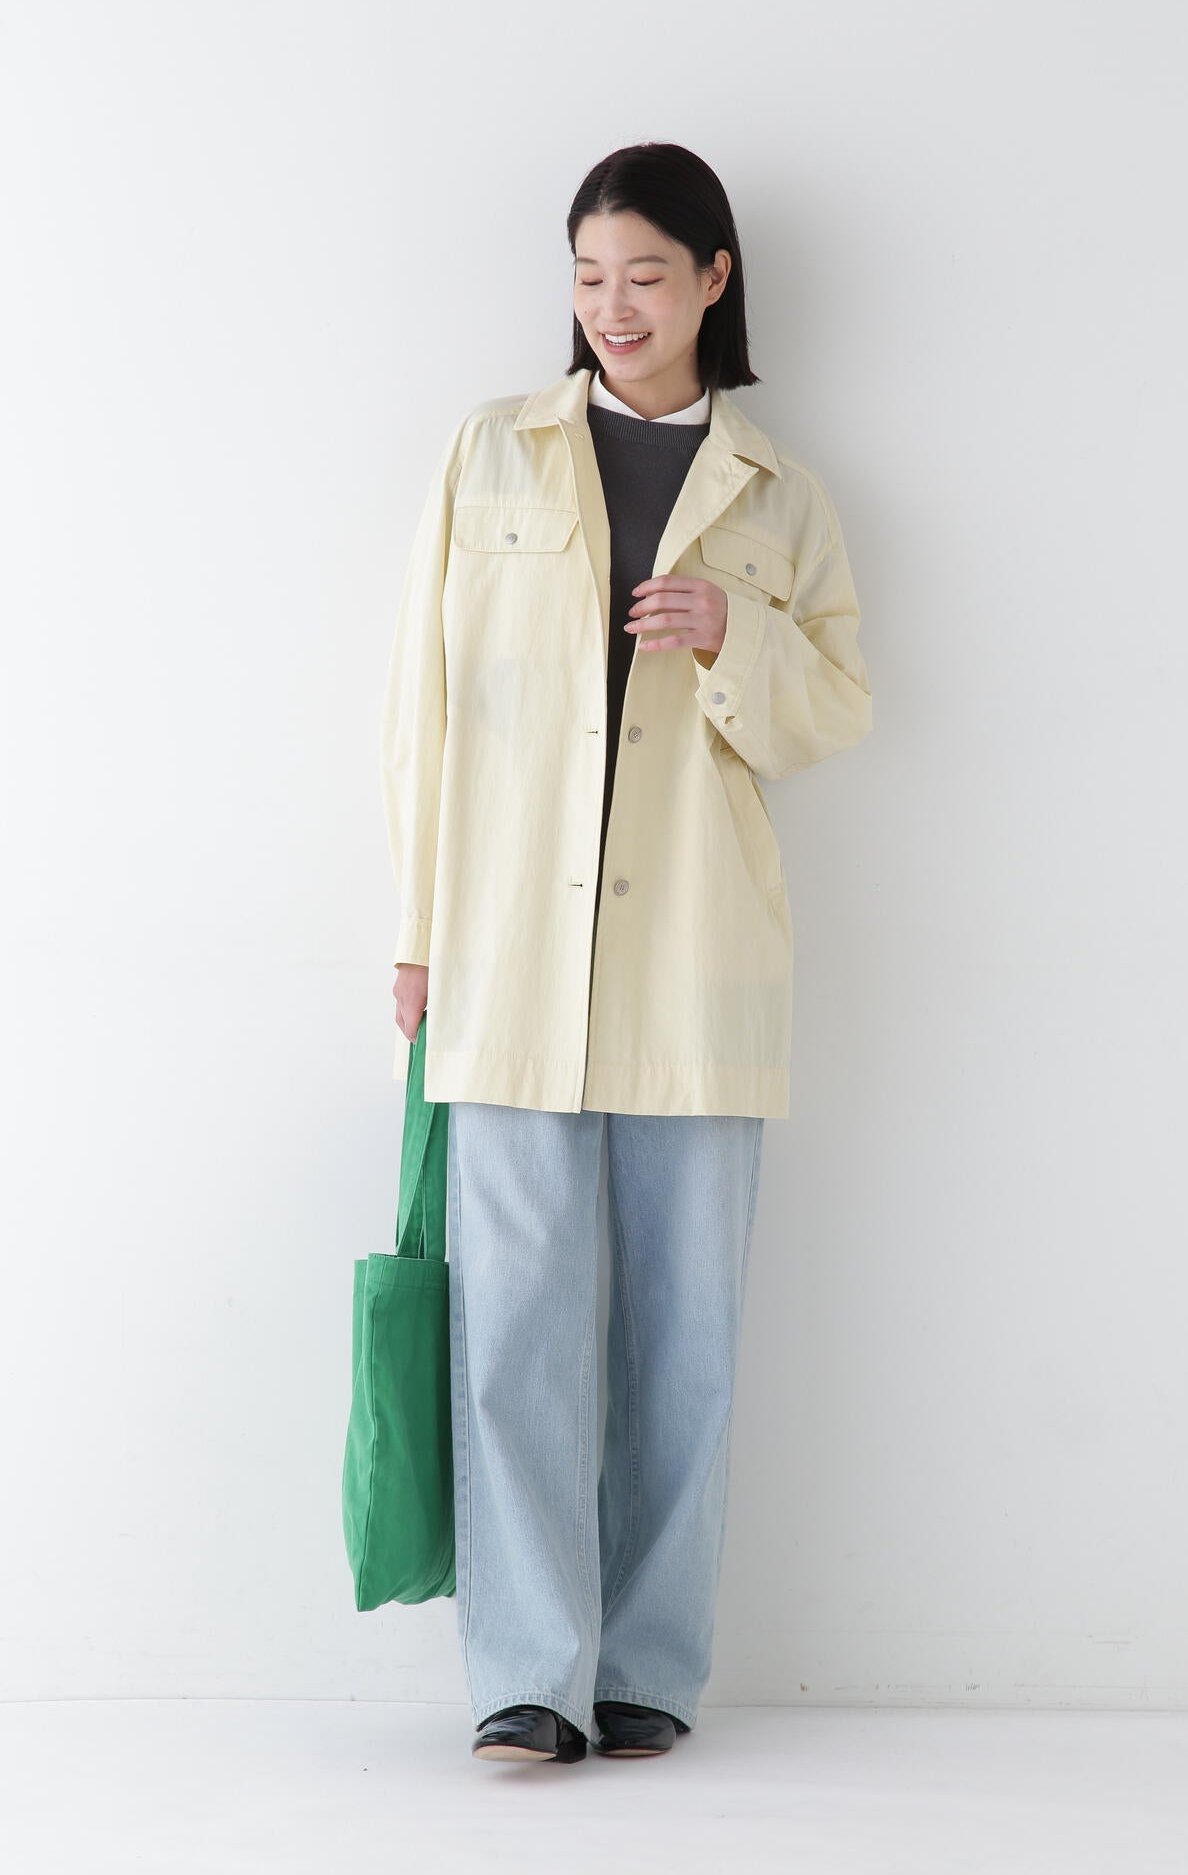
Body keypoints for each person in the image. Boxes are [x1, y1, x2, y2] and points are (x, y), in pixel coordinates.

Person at [379, 141, 873, 1766]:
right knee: (516, 1326)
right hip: (507, 954)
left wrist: (740, 637)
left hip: (697, 966)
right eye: (589, 277)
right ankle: (529, 1674)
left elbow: (834, 714)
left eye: (646, 275)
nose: (613, 306)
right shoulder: (494, 453)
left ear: (715, 279)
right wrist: (418, 932)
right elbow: (420, 709)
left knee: (686, 1337)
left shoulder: (782, 496)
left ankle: (651, 1666)